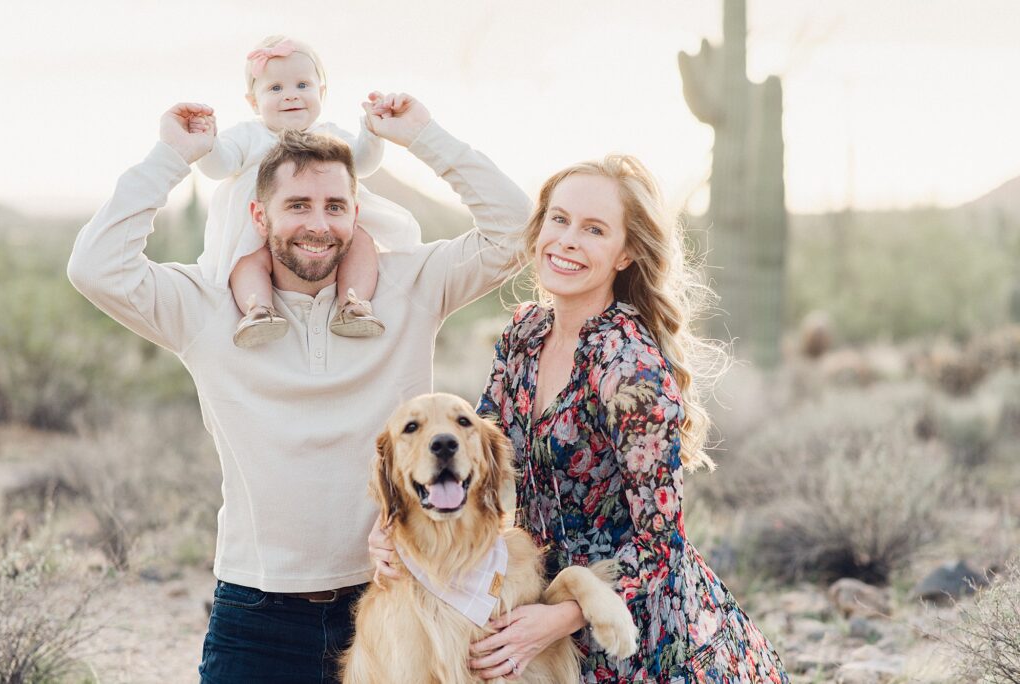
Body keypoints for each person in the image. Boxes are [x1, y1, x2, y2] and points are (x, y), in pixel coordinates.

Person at [68, 92, 531, 682]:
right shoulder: (207, 306)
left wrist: (425, 137)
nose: (319, 224)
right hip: (258, 613)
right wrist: (171, 157)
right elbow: (94, 267)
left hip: (397, 598)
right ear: (260, 216)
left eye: (336, 205)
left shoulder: (408, 286)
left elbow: (519, 231)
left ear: (357, 213)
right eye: (298, 205)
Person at [373, 155, 789, 681]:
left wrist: (561, 619)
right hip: (535, 597)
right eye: (559, 219)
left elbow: (661, 544)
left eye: (594, 229)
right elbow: (473, 450)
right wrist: (389, 524)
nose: (568, 240)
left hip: (635, 630)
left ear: (626, 253)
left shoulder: (629, 370)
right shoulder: (524, 337)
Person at [197, 35, 422, 347]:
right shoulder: (248, 135)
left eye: (302, 85)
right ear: (253, 101)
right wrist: (207, 143)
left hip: (323, 222)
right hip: (256, 225)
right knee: (249, 258)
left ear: (321, 92)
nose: (291, 96)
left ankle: (353, 305)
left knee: (361, 241)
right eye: (275, 88)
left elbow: (363, 163)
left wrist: (372, 132)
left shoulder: (328, 134)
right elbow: (219, 166)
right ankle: (258, 310)